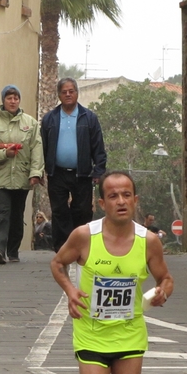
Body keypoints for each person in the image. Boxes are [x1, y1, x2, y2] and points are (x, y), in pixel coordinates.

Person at [50, 171, 174, 374]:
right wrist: (70, 290)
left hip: (130, 332)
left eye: (126, 195)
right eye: (114, 196)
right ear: (101, 203)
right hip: (91, 331)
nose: (121, 201)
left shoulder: (149, 241)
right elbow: (57, 263)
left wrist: (162, 292)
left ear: (135, 200)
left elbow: (165, 278)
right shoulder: (84, 236)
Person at [0, 85, 44, 264]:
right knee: (2, 212)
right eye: (9, 98)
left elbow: (37, 149)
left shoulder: (30, 123)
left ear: (19, 100)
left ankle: (13, 250)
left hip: (21, 176)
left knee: (16, 215)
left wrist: (35, 173)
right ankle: (0, 249)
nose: (12, 101)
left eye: (16, 98)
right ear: (3, 100)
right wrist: (3, 154)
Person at [41, 78, 107, 252]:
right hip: (57, 174)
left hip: (83, 174)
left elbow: (98, 147)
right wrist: (40, 170)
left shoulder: (89, 118)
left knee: (83, 211)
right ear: (59, 95)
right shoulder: (50, 119)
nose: (68, 94)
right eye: (64, 92)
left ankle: (80, 245)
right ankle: (63, 249)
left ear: (77, 93)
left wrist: (98, 171)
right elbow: (43, 147)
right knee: (59, 211)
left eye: (71, 91)